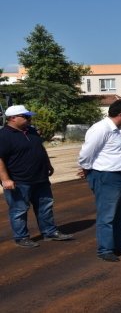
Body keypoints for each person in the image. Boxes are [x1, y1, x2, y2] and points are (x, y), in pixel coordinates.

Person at [0, 105, 73, 248]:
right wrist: (5, 179)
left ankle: (49, 232)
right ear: (13, 118)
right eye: (26, 116)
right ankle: (21, 237)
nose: (29, 119)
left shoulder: (31, 131)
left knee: (45, 206)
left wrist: (48, 164)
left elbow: (41, 148)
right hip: (19, 181)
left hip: (40, 178)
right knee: (19, 210)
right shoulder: (3, 136)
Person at [77, 100, 121, 262]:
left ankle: (119, 244)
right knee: (107, 215)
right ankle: (105, 249)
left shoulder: (117, 130)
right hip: (106, 177)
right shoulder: (101, 129)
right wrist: (87, 169)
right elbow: (86, 153)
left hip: (120, 176)